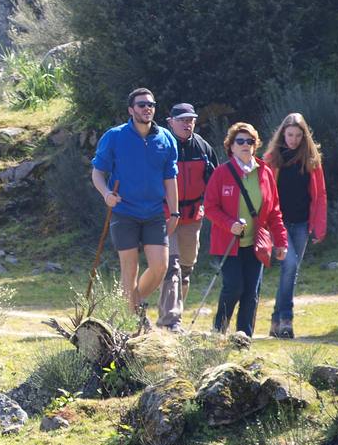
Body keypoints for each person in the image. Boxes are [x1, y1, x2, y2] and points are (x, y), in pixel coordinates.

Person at [90, 88, 180, 327]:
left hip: (154, 214)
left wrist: (175, 211)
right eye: (141, 105)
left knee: (160, 267)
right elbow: (97, 172)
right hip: (124, 212)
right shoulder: (114, 136)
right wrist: (106, 193)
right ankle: (132, 323)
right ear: (131, 110)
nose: (147, 108)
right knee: (129, 270)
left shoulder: (166, 139)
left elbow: (170, 178)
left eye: (151, 104)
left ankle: (133, 303)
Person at [203, 122, 288, 337]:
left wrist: (281, 241)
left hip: (255, 243)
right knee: (234, 287)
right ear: (231, 146)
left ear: (255, 145)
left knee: (251, 293)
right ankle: (218, 333)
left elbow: (274, 211)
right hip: (228, 243)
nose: (245, 145)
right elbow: (210, 208)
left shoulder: (265, 173)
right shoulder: (221, 173)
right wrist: (229, 224)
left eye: (250, 141)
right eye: (239, 141)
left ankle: (243, 339)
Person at [263, 113, 327, 339]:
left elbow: (320, 195)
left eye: (298, 135)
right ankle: (286, 319)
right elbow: (264, 194)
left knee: (290, 271)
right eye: (290, 134)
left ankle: (275, 320)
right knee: (289, 265)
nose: (293, 139)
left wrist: (319, 226)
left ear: (304, 136)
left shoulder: (311, 159)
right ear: (282, 134)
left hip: (301, 223)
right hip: (277, 223)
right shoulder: (271, 158)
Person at [157, 103, 218, 331]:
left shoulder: (203, 148)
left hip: (192, 218)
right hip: (164, 216)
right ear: (170, 122)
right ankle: (171, 321)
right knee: (171, 265)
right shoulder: (161, 146)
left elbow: (215, 183)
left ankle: (170, 316)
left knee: (185, 269)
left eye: (190, 119)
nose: (187, 123)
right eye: (182, 119)